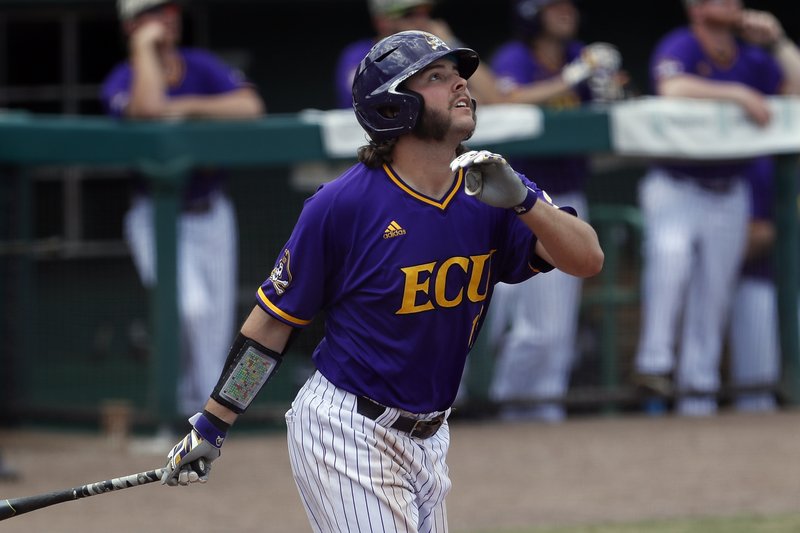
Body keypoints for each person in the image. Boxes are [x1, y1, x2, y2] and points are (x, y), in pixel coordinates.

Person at [159, 30, 603, 531]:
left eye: (458, 74)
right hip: (345, 428)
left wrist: (525, 200)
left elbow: (587, 259)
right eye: (437, 77)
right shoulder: (341, 205)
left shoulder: (493, 188)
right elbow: (271, 325)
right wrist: (214, 422)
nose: (461, 85)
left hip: (431, 437)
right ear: (393, 108)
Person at [632, 0, 800, 416]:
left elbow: (795, 90)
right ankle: (654, 365)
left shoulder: (752, 57)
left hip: (730, 188)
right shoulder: (682, 43)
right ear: (694, 8)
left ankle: (698, 395)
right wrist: (737, 94)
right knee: (670, 259)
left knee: (713, 296)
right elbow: (672, 87)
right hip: (676, 184)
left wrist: (779, 42)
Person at [100, 0, 265, 422]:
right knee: (189, 307)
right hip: (153, 214)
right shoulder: (122, 78)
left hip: (212, 211)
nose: (169, 17)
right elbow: (149, 107)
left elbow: (250, 107)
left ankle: (203, 420)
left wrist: (187, 107)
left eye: (170, 9)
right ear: (133, 25)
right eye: (154, 11)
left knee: (215, 326)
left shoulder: (199, 65)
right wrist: (143, 49)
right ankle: (173, 407)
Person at [486, 0, 624, 422]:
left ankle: (546, 413)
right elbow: (508, 100)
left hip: (568, 199)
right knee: (530, 329)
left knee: (556, 330)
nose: (566, 12)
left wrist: (610, 90)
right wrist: (572, 77)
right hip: (519, 204)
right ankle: (507, 402)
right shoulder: (515, 57)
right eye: (554, 6)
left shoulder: (576, 55)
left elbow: (607, 108)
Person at [334, 0, 502, 109]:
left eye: (424, 12)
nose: (421, 21)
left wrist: (450, 42)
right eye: (409, 14)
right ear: (382, 21)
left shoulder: (437, 53)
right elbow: (377, 104)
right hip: (372, 150)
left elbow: (494, 98)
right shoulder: (360, 54)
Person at [728, 156, 781, 412]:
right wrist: (783, 227)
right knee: (756, 395)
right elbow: (742, 244)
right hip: (760, 284)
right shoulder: (763, 165)